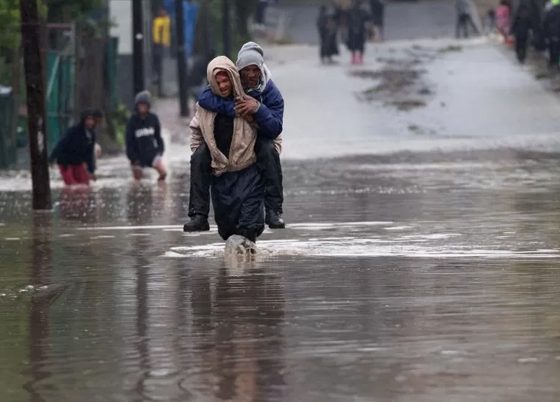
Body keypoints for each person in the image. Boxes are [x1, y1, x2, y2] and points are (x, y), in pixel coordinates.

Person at [184, 42, 285, 232]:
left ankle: (273, 210)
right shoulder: (227, 84)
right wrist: (234, 109)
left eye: (255, 70)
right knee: (199, 157)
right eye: (246, 70)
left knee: (268, 151)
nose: (251, 75)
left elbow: (275, 129)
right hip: (225, 153)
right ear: (238, 72)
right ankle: (198, 215)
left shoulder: (271, 93)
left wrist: (258, 109)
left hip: (256, 144)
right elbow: (205, 98)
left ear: (261, 69)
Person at [189, 56, 265, 243]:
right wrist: (201, 154)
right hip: (221, 173)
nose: (222, 86)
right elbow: (196, 131)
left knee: (248, 228)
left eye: (226, 80)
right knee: (228, 230)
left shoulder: (250, 99)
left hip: (248, 171)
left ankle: (274, 212)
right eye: (218, 82)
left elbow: (271, 130)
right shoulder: (205, 105)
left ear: (233, 78)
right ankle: (198, 215)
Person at [125, 90, 167, 181]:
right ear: (137, 106)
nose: (142, 107)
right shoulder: (132, 121)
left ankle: (159, 187)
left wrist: (160, 152)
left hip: (152, 154)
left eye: (144, 105)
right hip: (137, 156)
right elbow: (129, 141)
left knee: (163, 173)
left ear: (148, 106)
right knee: (138, 180)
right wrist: (133, 158)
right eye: (140, 105)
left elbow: (158, 137)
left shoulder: (153, 118)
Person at [49, 110, 98, 186]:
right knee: (72, 186)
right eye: (88, 119)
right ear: (83, 120)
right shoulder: (73, 131)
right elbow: (61, 144)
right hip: (66, 162)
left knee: (85, 185)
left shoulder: (91, 135)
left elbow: (89, 154)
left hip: (78, 162)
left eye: (92, 119)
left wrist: (91, 171)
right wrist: (51, 158)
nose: (90, 122)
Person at [152, 7, 171, 94]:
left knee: (161, 64)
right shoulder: (158, 21)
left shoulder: (166, 20)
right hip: (160, 45)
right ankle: (158, 79)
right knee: (159, 63)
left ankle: (160, 82)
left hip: (163, 44)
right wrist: (157, 42)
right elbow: (156, 33)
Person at [346, 0, 369, 64]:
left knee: (356, 45)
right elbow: (368, 18)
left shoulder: (351, 11)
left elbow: (368, 18)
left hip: (356, 30)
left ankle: (356, 59)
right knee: (358, 45)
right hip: (357, 30)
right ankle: (357, 59)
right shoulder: (362, 12)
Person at [544, 0, 560, 70]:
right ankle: (557, 64)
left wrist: (546, 33)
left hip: (551, 34)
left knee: (552, 48)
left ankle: (552, 63)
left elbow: (545, 23)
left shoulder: (550, 12)